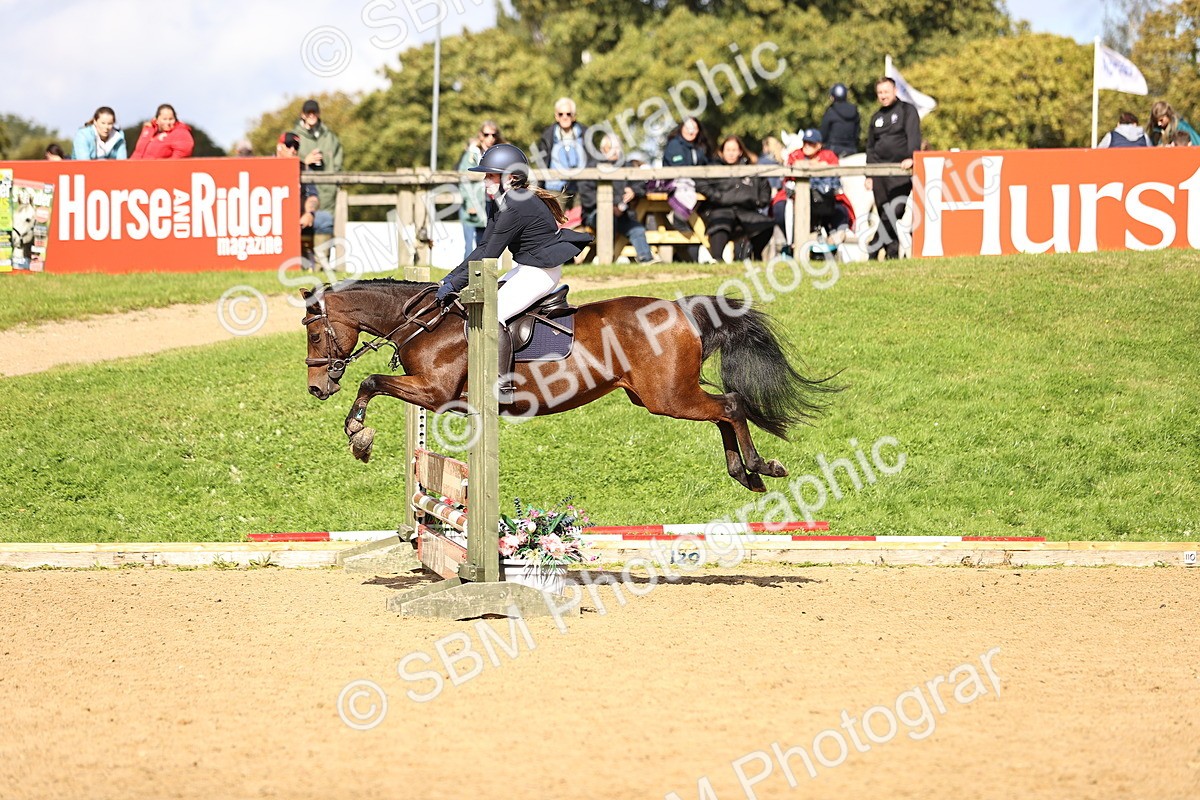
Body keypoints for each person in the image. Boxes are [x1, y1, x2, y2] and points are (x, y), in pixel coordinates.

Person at [435, 144, 592, 403]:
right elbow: (483, 247)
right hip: (526, 268)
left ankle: (503, 387)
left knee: (491, 316)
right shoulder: (501, 201)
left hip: (540, 272)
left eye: (491, 175)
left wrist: (453, 283)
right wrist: (449, 279)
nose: (485, 181)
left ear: (511, 177)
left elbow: (490, 254)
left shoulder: (516, 204)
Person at [577, 134, 656, 263]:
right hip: (596, 214)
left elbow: (641, 185)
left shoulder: (627, 166)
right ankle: (607, 261)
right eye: (610, 148)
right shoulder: (592, 167)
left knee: (637, 230)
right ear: (603, 150)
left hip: (623, 214)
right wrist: (611, 207)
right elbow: (587, 194)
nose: (614, 151)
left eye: (617, 147)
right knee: (607, 219)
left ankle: (646, 260)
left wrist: (633, 191)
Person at [865, 77, 921, 260]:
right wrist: (869, 174)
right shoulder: (876, 117)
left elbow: (914, 136)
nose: (883, 96)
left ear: (895, 91)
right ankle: (892, 253)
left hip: (900, 171)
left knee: (895, 210)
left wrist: (911, 157)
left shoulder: (907, 110)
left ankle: (873, 247)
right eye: (880, 92)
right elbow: (870, 147)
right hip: (879, 172)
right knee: (885, 213)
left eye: (886, 92)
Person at [697, 135, 774, 262]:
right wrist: (717, 196)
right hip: (719, 209)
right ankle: (717, 259)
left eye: (734, 150)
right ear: (722, 152)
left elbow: (764, 187)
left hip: (745, 211)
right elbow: (700, 183)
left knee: (765, 224)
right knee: (720, 223)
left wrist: (759, 201)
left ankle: (756, 256)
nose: (731, 153)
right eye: (728, 150)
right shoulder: (712, 168)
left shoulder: (750, 169)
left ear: (740, 151)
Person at [771, 129, 853, 244]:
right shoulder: (795, 154)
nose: (807, 146)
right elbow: (791, 171)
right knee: (779, 208)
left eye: (811, 143)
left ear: (819, 145)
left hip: (824, 197)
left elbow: (835, 174)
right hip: (797, 197)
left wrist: (817, 166)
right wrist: (817, 165)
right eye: (805, 142)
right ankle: (792, 241)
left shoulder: (828, 155)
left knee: (842, 210)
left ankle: (835, 237)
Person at [277, 132, 333, 270]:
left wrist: (309, 213)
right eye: (289, 145)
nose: (293, 150)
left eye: (296, 146)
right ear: (279, 147)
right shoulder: (266, 165)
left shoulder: (304, 168)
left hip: (300, 216)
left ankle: (320, 270)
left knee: (325, 219)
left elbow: (313, 196)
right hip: (274, 219)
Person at [660, 116, 712, 261]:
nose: (691, 131)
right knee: (688, 220)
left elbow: (707, 165)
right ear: (681, 129)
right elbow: (680, 168)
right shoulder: (674, 145)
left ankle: (689, 254)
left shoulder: (701, 147)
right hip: (678, 187)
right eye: (688, 127)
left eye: (694, 128)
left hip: (698, 187)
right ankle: (695, 254)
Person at [458, 121, 504, 257]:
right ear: (480, 135)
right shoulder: (472, 154)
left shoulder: (498, 153)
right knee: (469, 246)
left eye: (493, 135)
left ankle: (481, 268)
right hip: (473, 203)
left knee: (484, 243)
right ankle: (466, 270)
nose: (490, 138)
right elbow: (464, 180)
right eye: (486, 134)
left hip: (490, 202)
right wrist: (470, 204)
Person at [292, 99, 345, 215]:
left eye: (314, 112)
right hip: (303, 199)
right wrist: (305, 163)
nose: (311, 115)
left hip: (328, 198)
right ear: (303, 115)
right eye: (308, 112)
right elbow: (287, 165)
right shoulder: (294, 137)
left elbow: (338, 164)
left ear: (319, 113)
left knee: (327, 224)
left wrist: (334, 185)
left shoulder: (330, 137)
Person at [536, 97, 588, 198]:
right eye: (561, 114)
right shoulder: (547, 136)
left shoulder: (585, 133)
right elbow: (542, 162)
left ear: (574, 116)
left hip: (579, 188)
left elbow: (591, 161)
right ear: (556, 116)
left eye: (568, 114)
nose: (565, 117)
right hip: (554, 187)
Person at [820, 83, 861, 158]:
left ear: (832, 96)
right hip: (851, 150)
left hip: (832, 151)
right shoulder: (855, 111)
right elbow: (857, 132)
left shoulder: (830, 111)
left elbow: (823, 134)